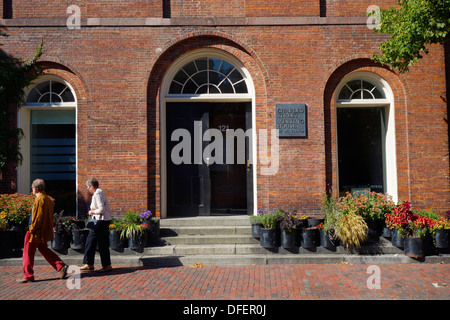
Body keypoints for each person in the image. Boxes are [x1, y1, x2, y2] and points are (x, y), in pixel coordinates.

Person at [16, 179, 68, 283]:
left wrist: (31, 229)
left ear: (35, 188)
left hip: (35, 232)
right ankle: (60, 266)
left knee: (27, 253)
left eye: (32, 188)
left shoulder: (39, 200)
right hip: (43, 231)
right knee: (44, 249)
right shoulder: (47, 199)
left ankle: (28, 275)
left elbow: (37, 218)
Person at [81, 178, 113, 272]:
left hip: (100, 222)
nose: (87, 189)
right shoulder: (99, 192)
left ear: (92, 186)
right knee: (101, 243)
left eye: (88, 187)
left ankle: (89, 264)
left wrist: (91, 211)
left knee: (90, 242)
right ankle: (105, 265)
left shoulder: (98, 193)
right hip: (103, 221)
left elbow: (101, 209)